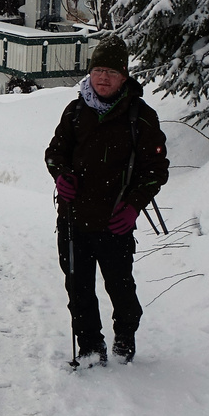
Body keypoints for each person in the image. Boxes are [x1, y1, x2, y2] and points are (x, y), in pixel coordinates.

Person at [44, 35, 168, 366]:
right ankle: (89, 346)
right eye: (98, 69)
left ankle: (125, 335)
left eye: (111, 72)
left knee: (121, 289)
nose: (103, 77)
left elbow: (156, 170)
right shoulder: (75, 112)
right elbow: (55, 153)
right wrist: (61, 176)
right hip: (73, 220)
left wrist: (132, 207)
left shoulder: (140, 117)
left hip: (115, 223)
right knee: (78, 288)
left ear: (124, 76)